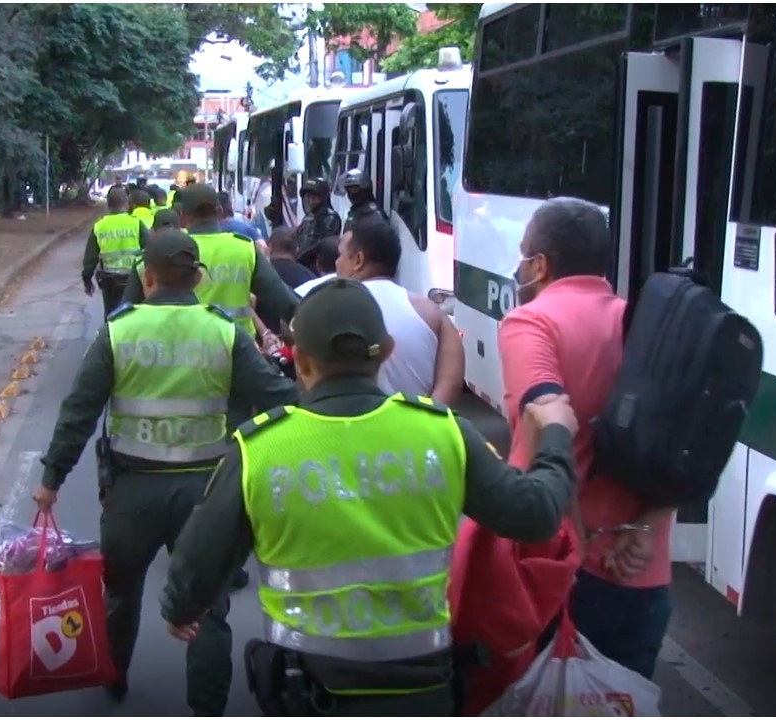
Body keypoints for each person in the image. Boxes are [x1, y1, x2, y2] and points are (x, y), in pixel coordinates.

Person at [159, 277, 579, 716]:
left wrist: (180, 610)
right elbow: (536, 515)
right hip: (423, 695)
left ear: (300, 362)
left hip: (307, 695)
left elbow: (196, 563)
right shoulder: (443, 434)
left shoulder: (260, 449)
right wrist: (555, 433)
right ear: (388, 351)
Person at [34, 228, 299, 712]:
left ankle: (114, 679)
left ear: (147, 277)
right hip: (206, 493)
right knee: (209, 606)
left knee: (121, 594)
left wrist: (53, 477)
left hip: (131, 493)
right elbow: (277, 397)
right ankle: (207, 706)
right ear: (197, 278)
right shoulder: (222, 331)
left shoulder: (120, 330)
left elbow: (80, 410)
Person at [500, 197, 675, 681]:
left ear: (539, 264)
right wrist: (645, 525)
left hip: (555, 569)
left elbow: (548, 418)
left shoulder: (531, 322)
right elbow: (690, 439)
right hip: (643, 572)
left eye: (523, 252)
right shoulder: (647, 326)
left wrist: (586, 542)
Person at [122, 183, 298, 342]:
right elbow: (285, 302)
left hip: (181, 351)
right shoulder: (245, 250)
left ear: (182, 217)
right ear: (219, 211)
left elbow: (125, 316)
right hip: (237, 353)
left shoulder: (161, 253)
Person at [337, 216, 465, 405]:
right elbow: (451, 381)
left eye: (339, 255)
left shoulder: (327, 308)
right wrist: (426, 421)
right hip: (415, 429)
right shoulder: (431, 313)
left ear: (358, 260)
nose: (336, 263)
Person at [84, 185, 148, 319]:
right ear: (127, 203)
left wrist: (87, 280)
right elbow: (151, 249)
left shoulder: (99, 226)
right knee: (135, 315)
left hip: (109, 281)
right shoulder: (136, 223)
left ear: (108, 205)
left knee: (111, 314)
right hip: (134, 279)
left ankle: (111, 337)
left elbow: (90, 258)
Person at [292, 177, 342, 267]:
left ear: (323, 197)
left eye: (314, 197)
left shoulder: (330, 217)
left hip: (318, 266)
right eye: (308, 197)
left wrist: (300, 258)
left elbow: (321, 244)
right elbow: (298, 236)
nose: (311, 201)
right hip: (302, 264)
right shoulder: (308, 217)